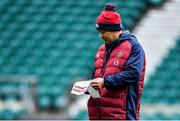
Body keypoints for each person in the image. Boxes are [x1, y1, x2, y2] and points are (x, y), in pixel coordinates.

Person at [87, 3, 146, 120]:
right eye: (99, 32)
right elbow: (97, 78)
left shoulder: (134, 47)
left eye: (103, 32)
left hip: (122, 115)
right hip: (99, 116)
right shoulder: (101, 50)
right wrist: (89, 88)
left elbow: (133, 74)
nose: (100, 36)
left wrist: (104, 82)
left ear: (114, 30)